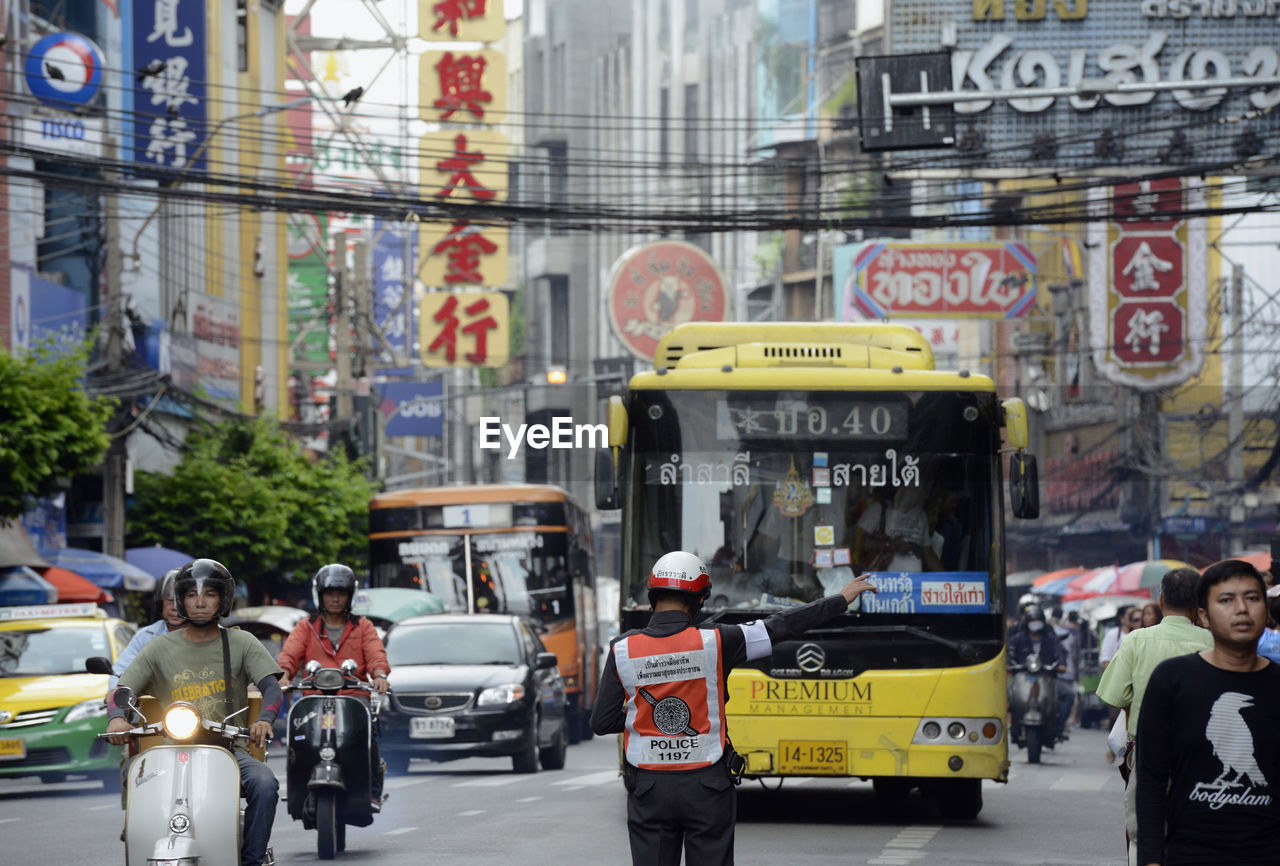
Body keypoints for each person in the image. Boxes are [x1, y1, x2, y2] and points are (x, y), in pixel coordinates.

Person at [590, 551, 879, 865]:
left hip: (649, 788)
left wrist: (647, 718)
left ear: (653, 595)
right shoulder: (718, 641)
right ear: (699, 600)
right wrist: (839, 599)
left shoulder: (623, 648)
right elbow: (781, 626)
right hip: (707, 786)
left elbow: (602, 721)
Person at [105, 559, 284, 866]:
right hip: (171, 748)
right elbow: (122, 690)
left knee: (265, 783)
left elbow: (272, 687)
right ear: (180, 600)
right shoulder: (158, 647)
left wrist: (264, 720)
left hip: (229, 749)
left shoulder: (241, 642)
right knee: (131, 771)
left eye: (210, 594)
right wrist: (117, 717)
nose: (200, 601)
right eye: (191, 595)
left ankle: (252, 860)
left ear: (223, 600)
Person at [1134, 559, 1280, 866]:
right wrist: (1150, 859)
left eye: (1252, 598)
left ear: (1265, 610)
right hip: (1190, 854)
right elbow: (1151, 779)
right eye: (1226, 600)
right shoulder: (1171, 680)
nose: (1241, 608)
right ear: (1203, 615)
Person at [1095, 567, 1213, 866]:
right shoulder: (1214, 642)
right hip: (1203, 757)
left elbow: (1116, 696)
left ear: (1161, 601)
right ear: (1200, 603)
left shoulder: (1137, 640)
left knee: (1142, 836)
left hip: (1148, 755)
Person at [277, 563, 391, 809]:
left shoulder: (363, 627)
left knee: (369, 732)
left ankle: (372, 790)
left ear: (350, 596)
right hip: (313, 701)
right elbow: (288, 657)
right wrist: (283, 676)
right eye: (330, 593)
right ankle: (298, 786)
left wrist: (379, 675)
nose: (336, 599)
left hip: (353, 699)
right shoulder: (305, 627)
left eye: (341, 593)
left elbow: (376, 657)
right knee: (298, 740)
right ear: (320, 595)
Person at [109, 569, 184, 691]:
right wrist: (114, 692)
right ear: (161, 603)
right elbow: (119, 673)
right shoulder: (144, 637)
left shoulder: (212, 634)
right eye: (170, 601)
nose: (174, 608)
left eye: (180, 602)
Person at [855, 484, 943, 573]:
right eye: (914, 485)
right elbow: (857, 541)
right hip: (883, 580)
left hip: (913, 582)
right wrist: (889, 545)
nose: (920, 490)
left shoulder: (920, 514)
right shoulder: (878, 509)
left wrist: (947, 579)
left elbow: (927, 553)